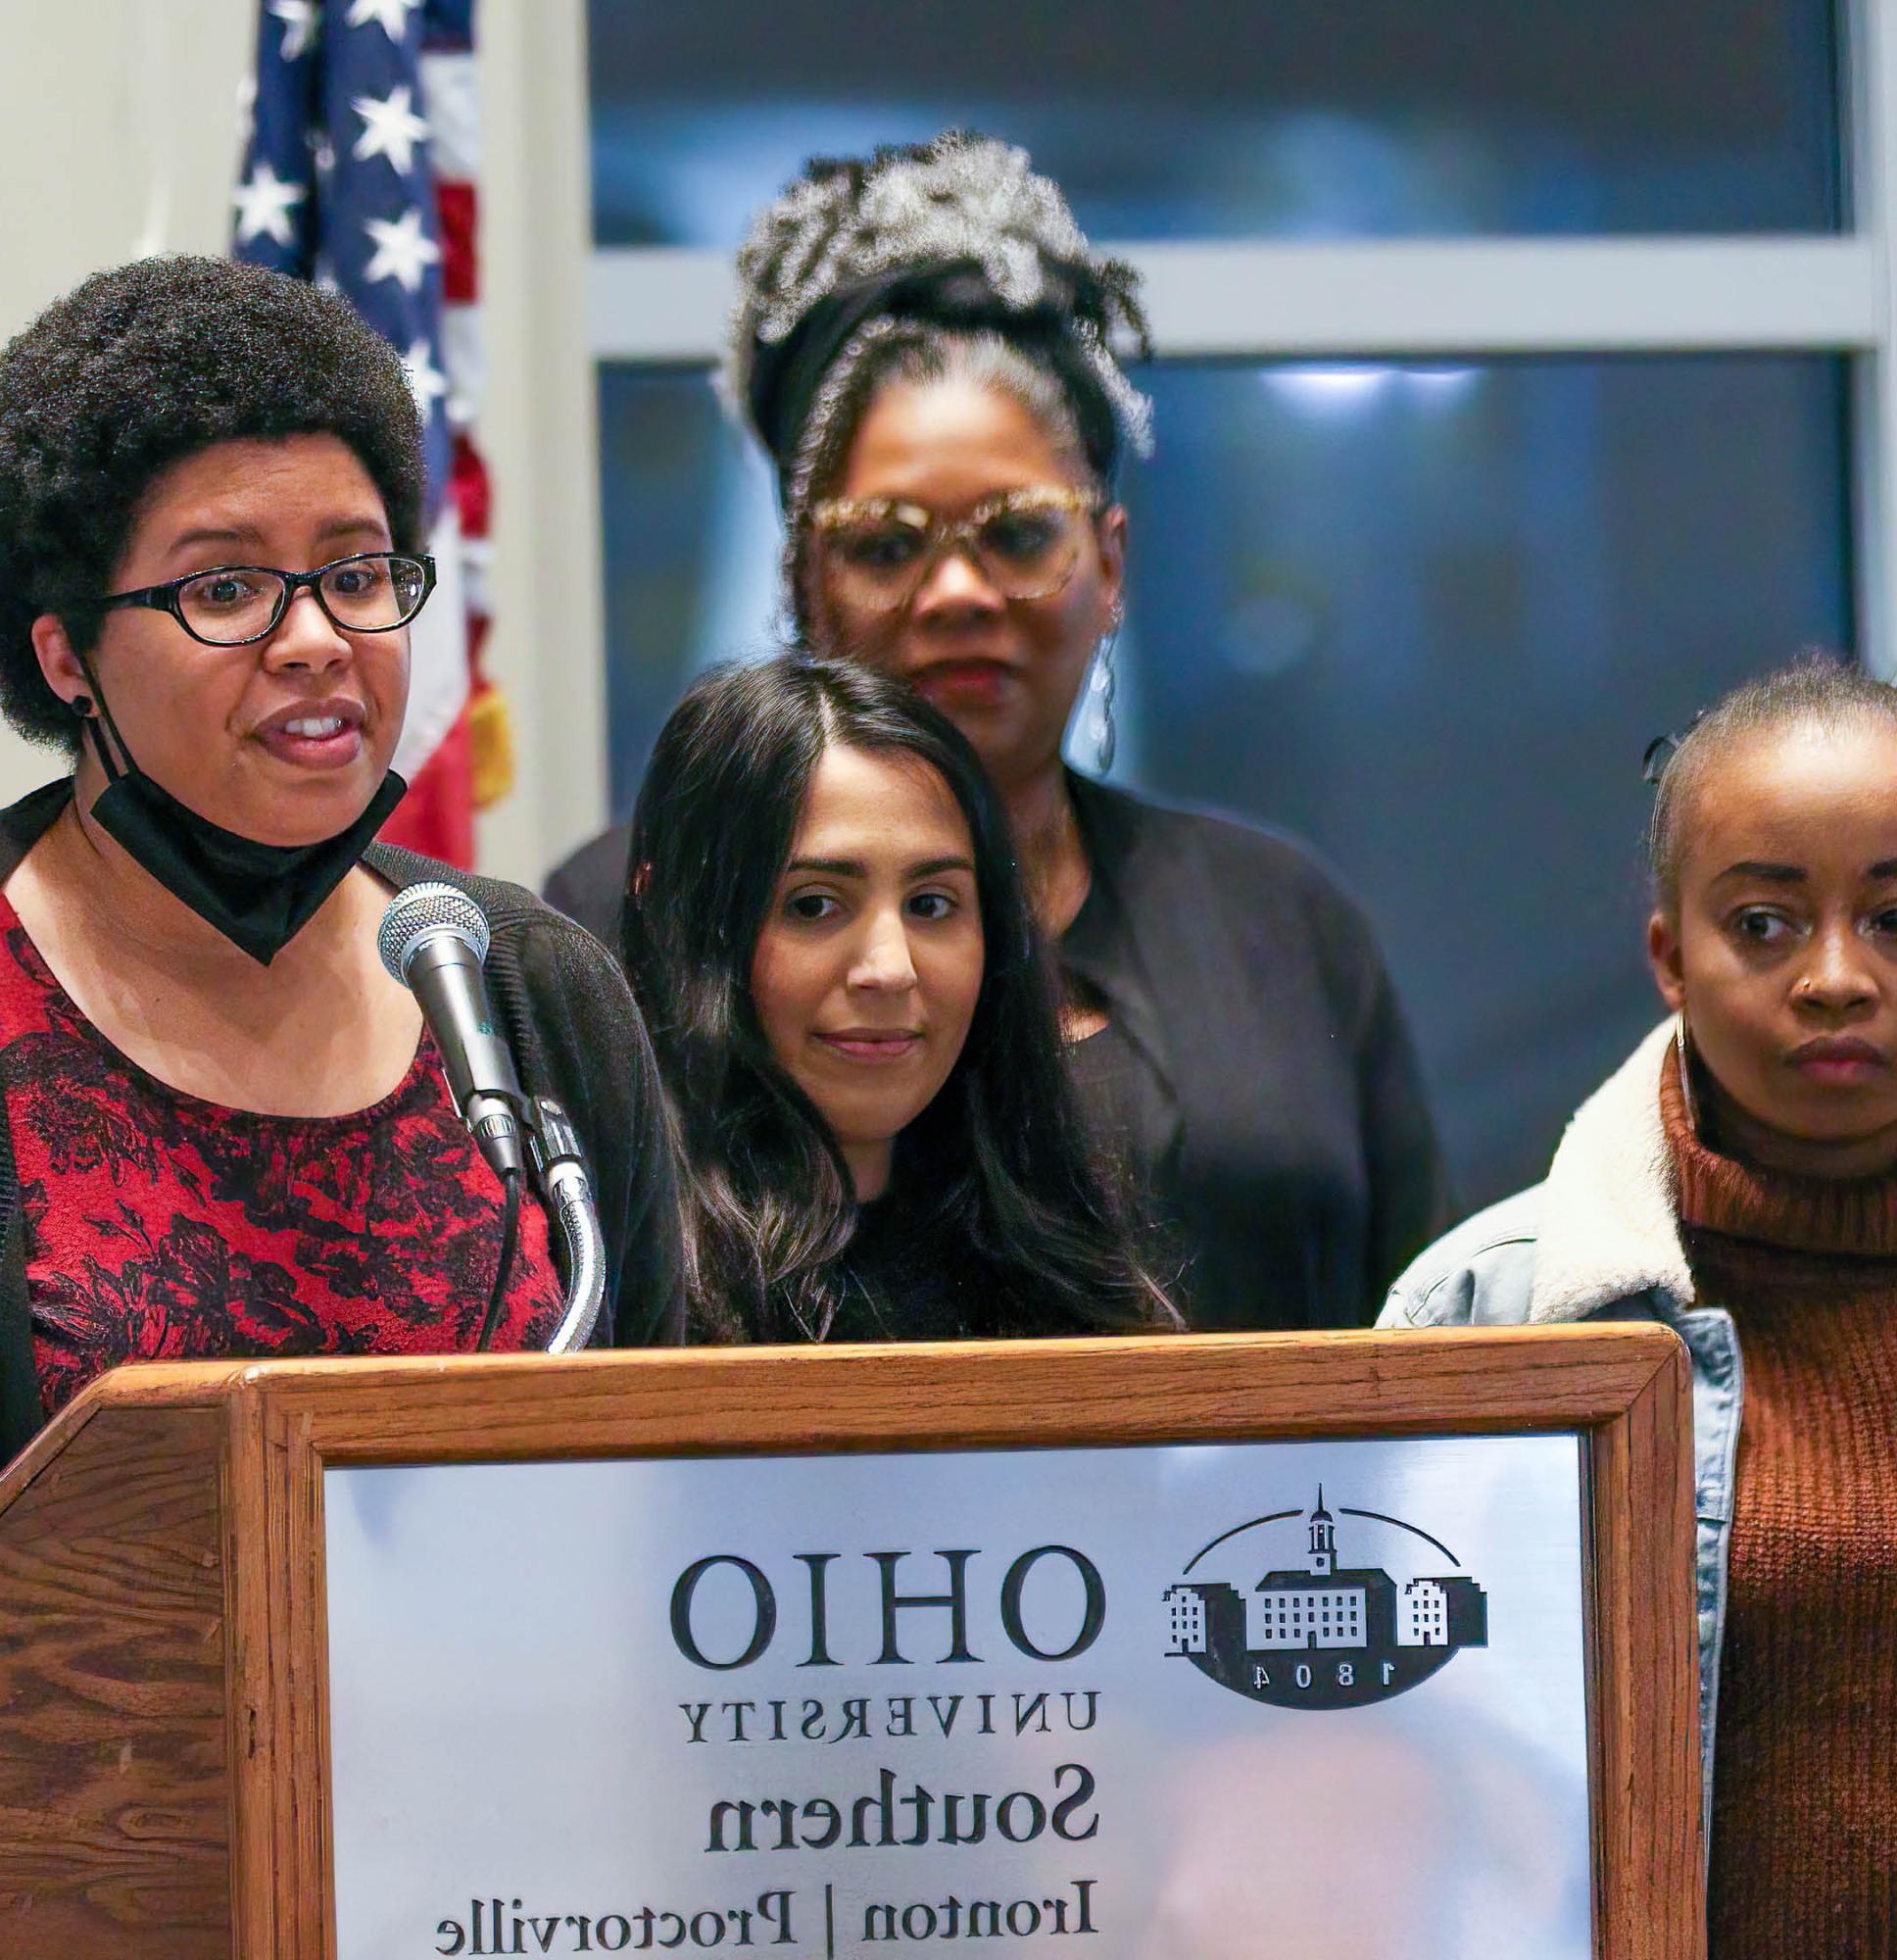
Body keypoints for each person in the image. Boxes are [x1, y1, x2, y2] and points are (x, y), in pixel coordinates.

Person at [547, 131, 1447, 1332]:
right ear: (803, 577)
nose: (959, 591)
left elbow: (1438, 1338)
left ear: (1109, 564)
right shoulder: (619, 915)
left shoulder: (1276, 921)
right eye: (886, 541)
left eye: (1018, 534)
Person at [0, 255, 682, 1535]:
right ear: (65, 654)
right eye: (225, 587)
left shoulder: (526, 980)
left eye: (355, 573)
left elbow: (663, 1481)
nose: (317, 639)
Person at [1380, 655, 1897, 1955]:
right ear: (1670, 956)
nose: (1837, 977)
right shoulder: (1493, 1311)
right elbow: (1409, 1783)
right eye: (1765, 925)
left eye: (1895, 918)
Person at [621, 654, 1177, 1344]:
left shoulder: (1061, 1272)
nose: (889, 969)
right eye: (815, 904)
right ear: (679, 923)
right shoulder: (598, 1284)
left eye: (931, 904)